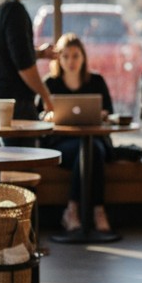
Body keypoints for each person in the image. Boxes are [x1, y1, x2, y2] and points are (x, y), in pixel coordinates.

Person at [45, 32, 115, 234]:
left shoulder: (96, 81)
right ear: (58, 59)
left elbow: (109, 112)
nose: (71, 61)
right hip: (61, 144)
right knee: (91, 153)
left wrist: (102, 114)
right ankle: (97, 210)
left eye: (75, 55)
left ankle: (73, 210)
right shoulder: (50, 83)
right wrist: (48, 116)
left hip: (93, 141)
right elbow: (38, 115)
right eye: (65, 56)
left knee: (92, 150)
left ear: (83, 57)